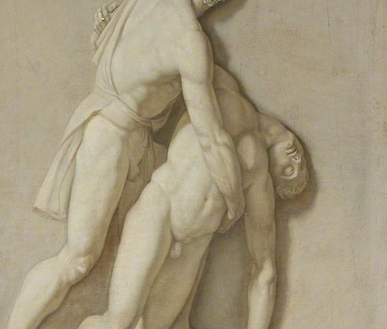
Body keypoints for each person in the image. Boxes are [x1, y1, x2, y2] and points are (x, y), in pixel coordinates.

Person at [7, 0, 245, 329]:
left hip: (130, 139)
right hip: (112, 136)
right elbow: (211, 137)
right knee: (78, 258)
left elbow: (118, 55)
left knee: (156, 247)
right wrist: (235, 200)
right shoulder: (188, 38)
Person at [78, 66, 309, 329]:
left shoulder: (259, 179)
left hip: (192, 247)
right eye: (300, 161)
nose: (297, 159)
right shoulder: (224, 88)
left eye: (291, 172)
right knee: (119, 323)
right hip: (159, 212)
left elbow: (264, 272)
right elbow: (177, 53)